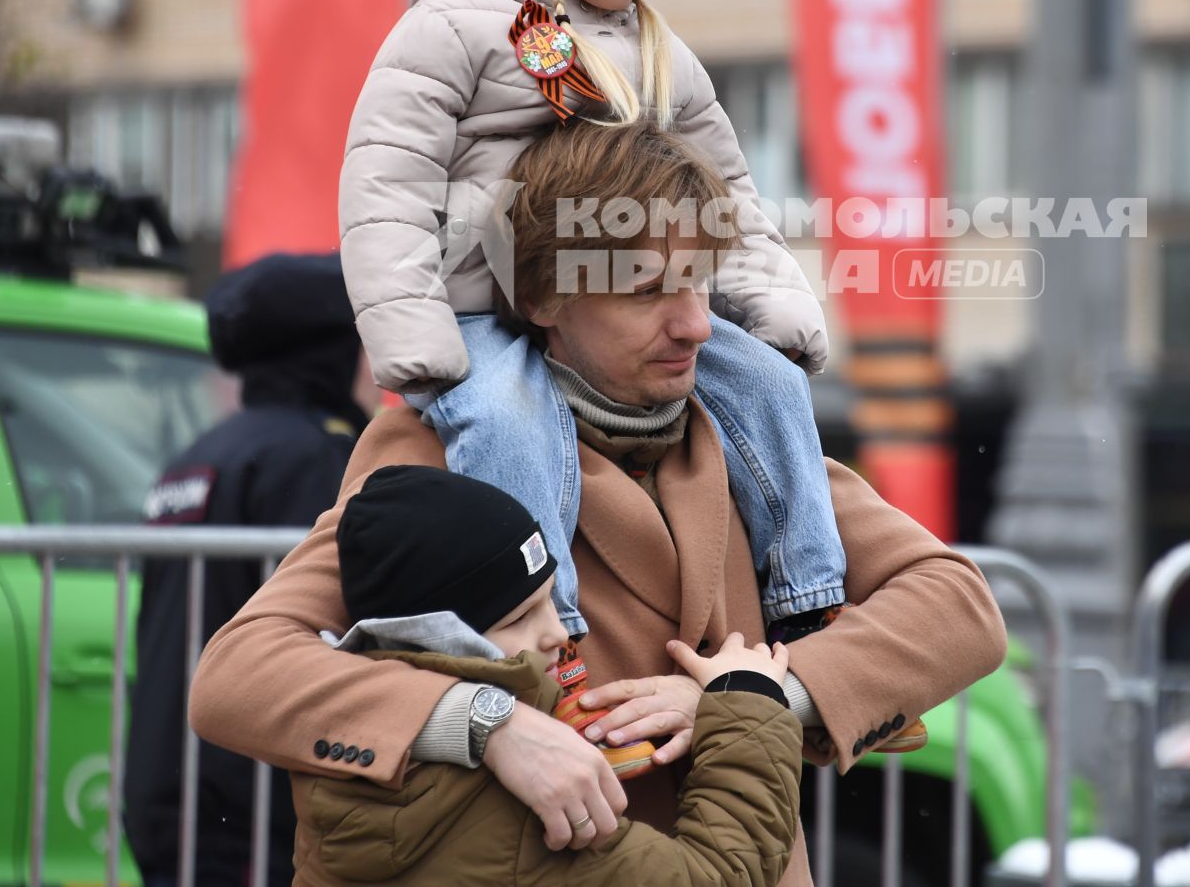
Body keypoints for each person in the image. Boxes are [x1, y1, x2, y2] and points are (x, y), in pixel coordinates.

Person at [193, 121, 1008, 887]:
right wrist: (486, 723)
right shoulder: (442, 449)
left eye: (698, 283)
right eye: (648, 289)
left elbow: (960, 607)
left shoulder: (748, 440)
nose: (695, 325)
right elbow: (239, 675)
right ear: (544, 298)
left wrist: (756, 699)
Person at [336, 0, 877, 723]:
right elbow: (385, 184)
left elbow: (729, 193)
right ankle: (554, 654)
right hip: (481, 314)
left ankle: (808, 610)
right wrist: (412, 330)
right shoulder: (456, 24)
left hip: (615, 314)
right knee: (507, 419)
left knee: (766, 382)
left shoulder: (659, 53)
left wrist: (770, 298)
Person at [293, 463, 804, 885]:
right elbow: (718, 876)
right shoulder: (520, 806)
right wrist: (748, 702)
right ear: (439, 638)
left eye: (551, 603)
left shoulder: (347, 751)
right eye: (518, 617)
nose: (559, 635)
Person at [124, 252, 374, 887]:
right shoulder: (316, 457)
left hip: (176, 784)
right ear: (330, 350)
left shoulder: (203, 454)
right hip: (252, 799)